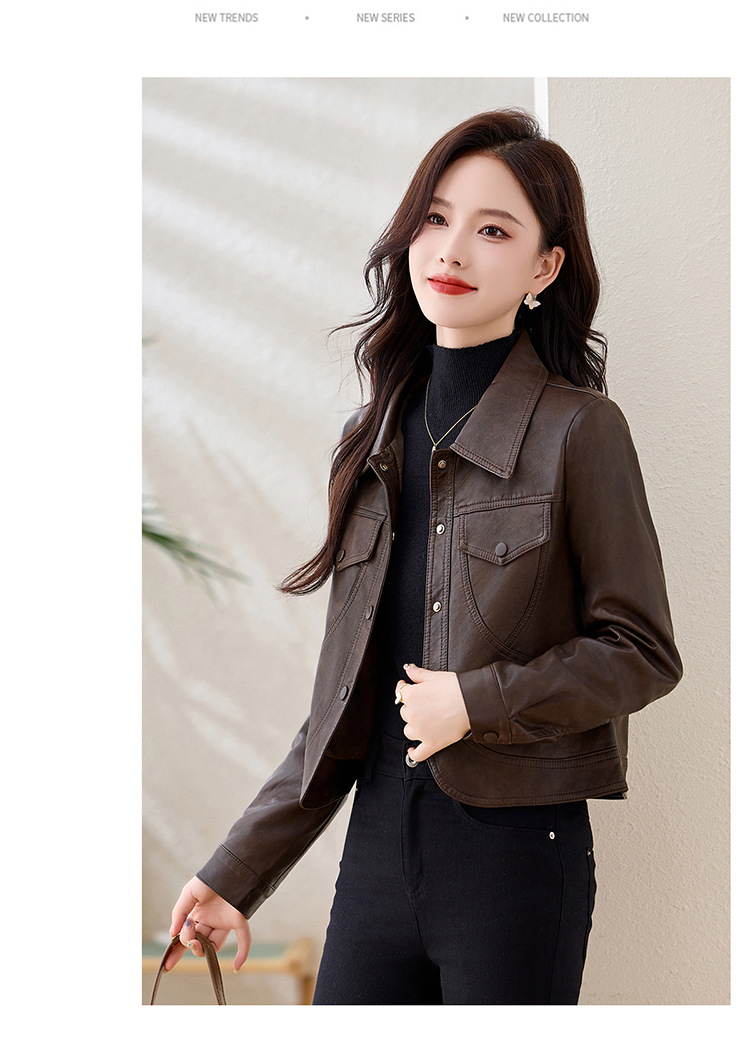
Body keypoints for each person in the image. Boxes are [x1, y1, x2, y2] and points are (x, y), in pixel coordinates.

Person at [163, 109, 682, 1004]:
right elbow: (342, 706)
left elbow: (643, 651)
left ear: (545, 268)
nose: (452, 248)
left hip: (514, 866)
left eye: (494, 230)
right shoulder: (369, 440)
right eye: (436, 218)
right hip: (373, 857)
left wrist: (477, 700)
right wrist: (234, 872)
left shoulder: (579, 431)